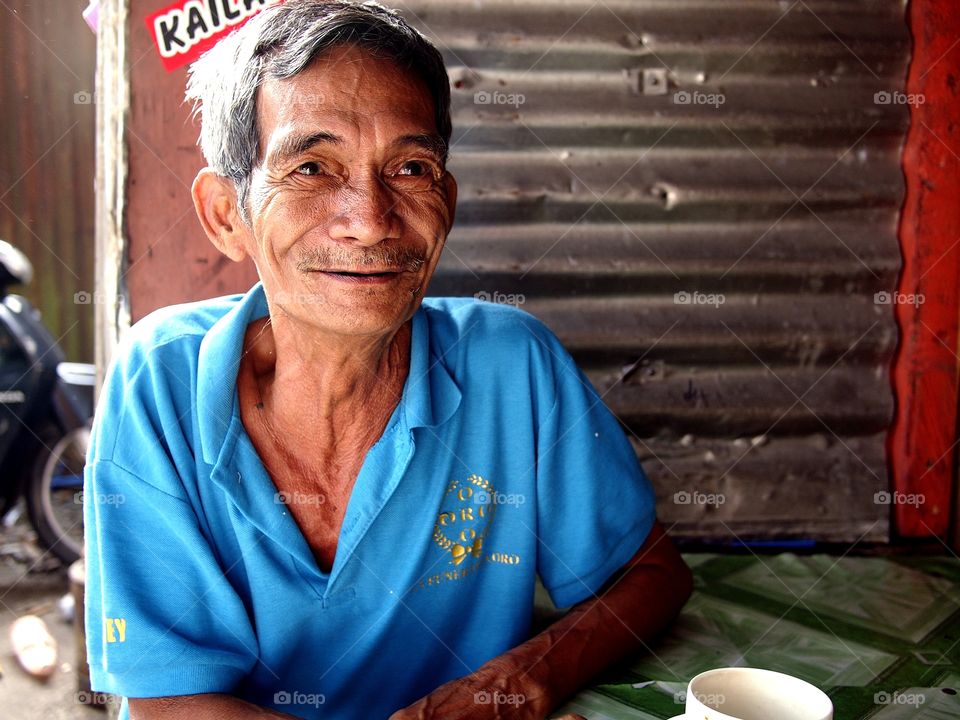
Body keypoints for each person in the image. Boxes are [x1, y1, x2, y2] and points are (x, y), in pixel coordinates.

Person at [83, 2, 693, 718]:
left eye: (409, 167)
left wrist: (525, 678)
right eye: (312, 168)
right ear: (227, 214)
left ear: (446, 202)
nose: (371, 220)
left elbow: (650, 574)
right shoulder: (160, 380)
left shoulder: (511, 366)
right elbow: (170, 702)